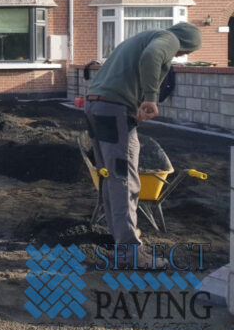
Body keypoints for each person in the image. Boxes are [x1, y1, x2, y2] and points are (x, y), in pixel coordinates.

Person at [84, 22, 202, 267]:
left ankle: (120, 239)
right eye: (185, 51)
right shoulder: (169, 39)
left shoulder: (139, 39)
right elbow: (152, 56)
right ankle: (130, 252)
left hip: (96, 106)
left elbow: (125, 73)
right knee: (124, 179)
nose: (180, 55)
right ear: (187, 43)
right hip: (114, 109)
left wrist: (134, 104)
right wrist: (150, 98)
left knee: (110, 176)